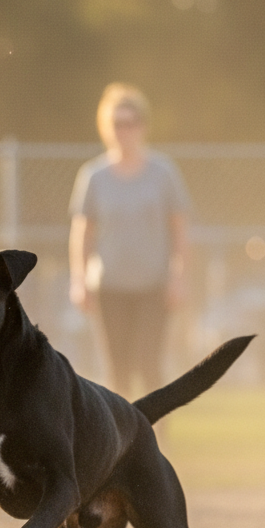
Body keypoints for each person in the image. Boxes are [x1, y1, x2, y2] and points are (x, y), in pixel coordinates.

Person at [68, 83, 192, 398]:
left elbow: (179, 231)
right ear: (106, 128)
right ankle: (121, 443)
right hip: (110, 288)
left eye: (130, 123)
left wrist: (179, 277)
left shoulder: (163, 173)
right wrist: (79, 280)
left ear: (143, 126)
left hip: (154, 286)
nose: (124, 131)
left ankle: (156, 438)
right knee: (117, 370)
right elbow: (82, 233)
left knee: (150, 365)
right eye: (117, 124)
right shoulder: (94, 176)